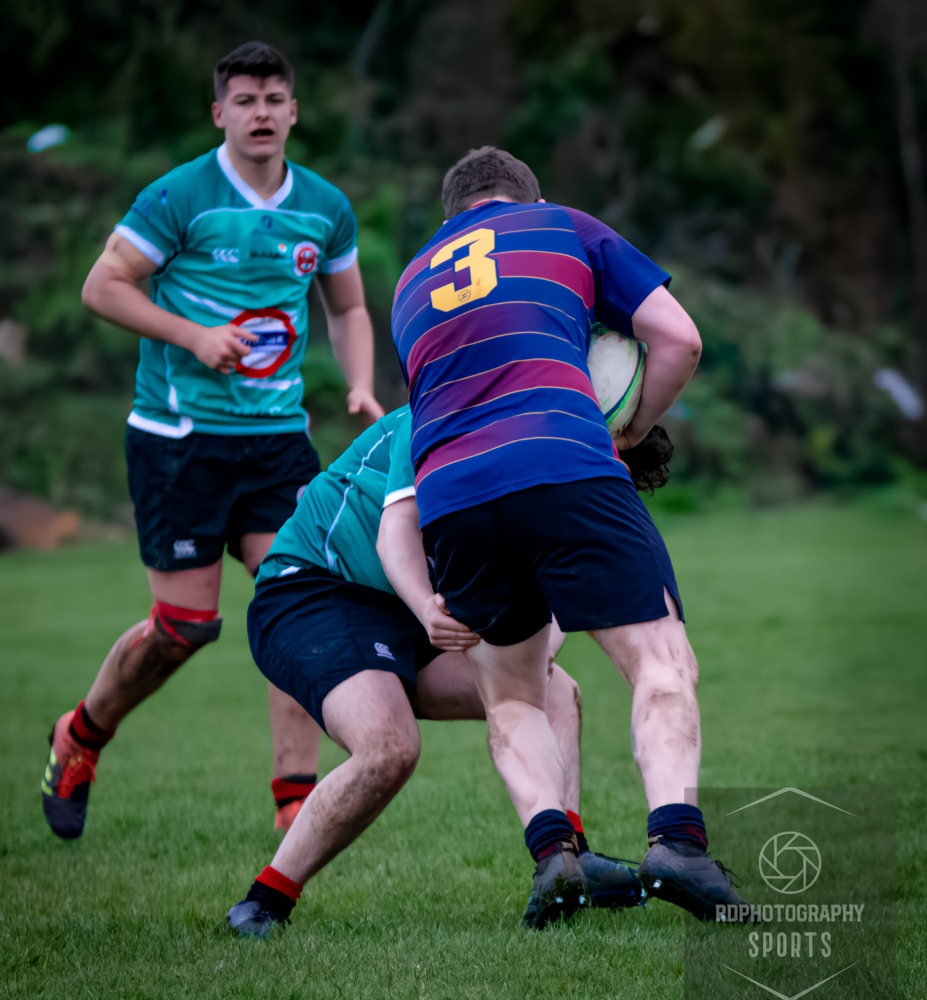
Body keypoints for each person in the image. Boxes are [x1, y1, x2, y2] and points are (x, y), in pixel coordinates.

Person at [389, 147, 749, 923]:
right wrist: (631, 425)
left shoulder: (410, 282)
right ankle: (678, 844)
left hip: (448, 493)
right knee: (659, 660)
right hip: (562, 459)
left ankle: (555, 855)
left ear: (454, 215)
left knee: (514, 690)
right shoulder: (565, 228)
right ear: (525, 199)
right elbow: (679, 341)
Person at [40, 41, 384, 842]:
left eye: (275, 98)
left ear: (294, 110)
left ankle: (295, 796)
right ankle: (81, 734)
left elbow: (348, 308)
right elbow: (103, 286)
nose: (261, 113)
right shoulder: (179, 196)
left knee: (296, 603)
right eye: (245, 99)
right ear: (219, 112)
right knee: (184, 629)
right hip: (180, 442)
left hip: (278, 442)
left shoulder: (325, 206)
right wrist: (193, 337)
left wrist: (360, 381)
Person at [225, 406, 644, 938]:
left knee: (553, 691)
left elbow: (545, 620)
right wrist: (430, 608)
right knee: (389, 745)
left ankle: (567, 861)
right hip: (315, 590)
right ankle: (263, 902)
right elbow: (395, 536)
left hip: (408, 606)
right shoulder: (440, 411)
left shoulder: (539, 446)